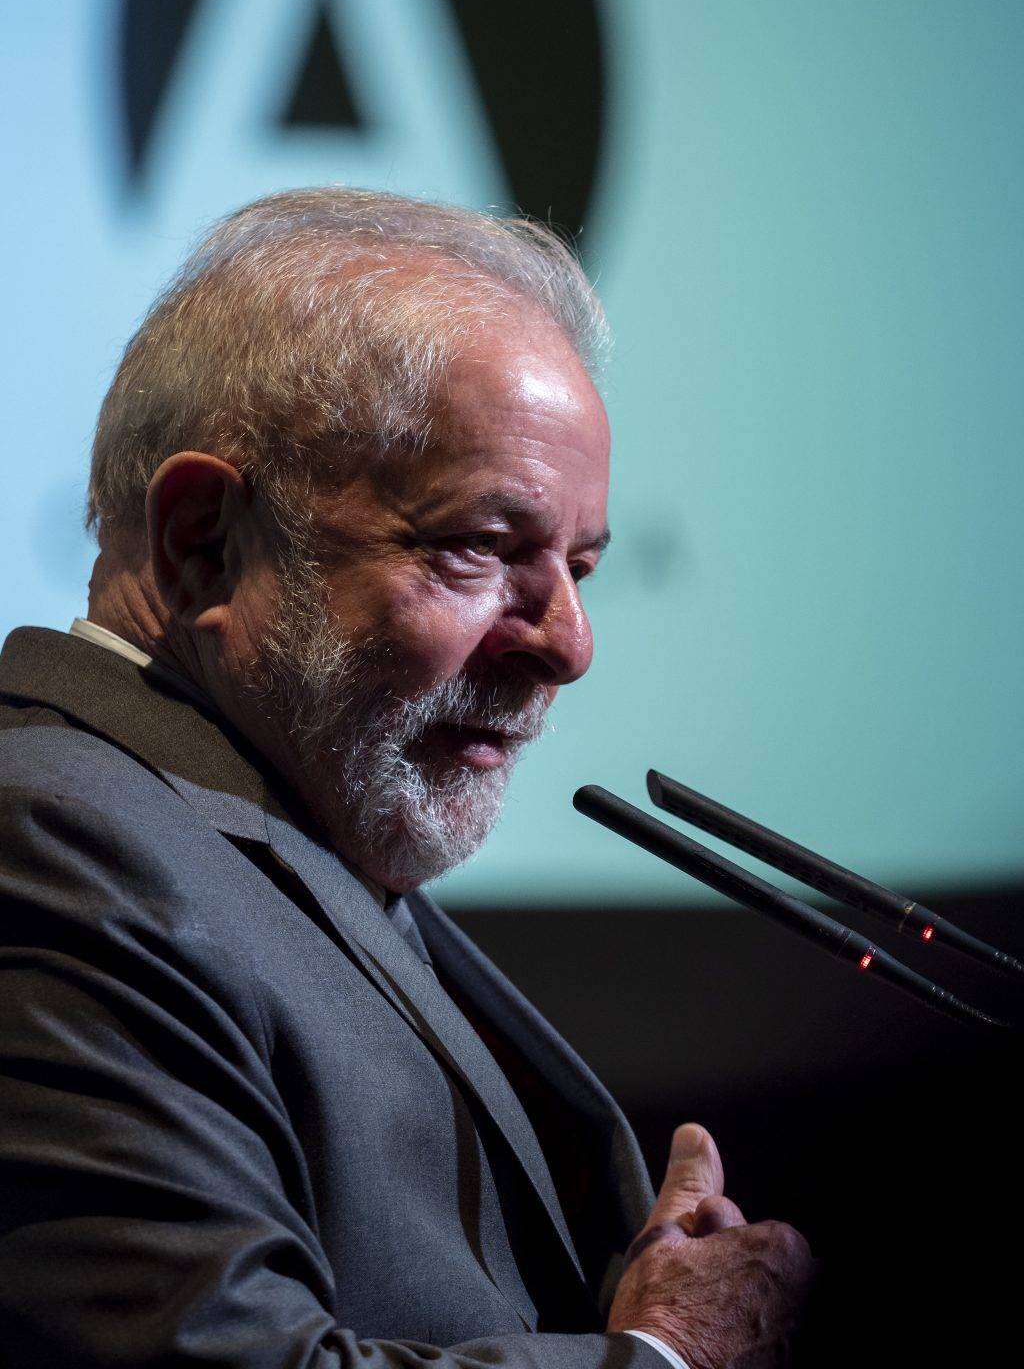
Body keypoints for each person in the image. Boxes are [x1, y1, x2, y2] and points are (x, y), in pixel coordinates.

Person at [0, 188, 812, 1367]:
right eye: (481, 546)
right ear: (202, 538)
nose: (570, 644)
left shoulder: (269, 814)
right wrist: (666, 1355)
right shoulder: (55, 848)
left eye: (580, 567)